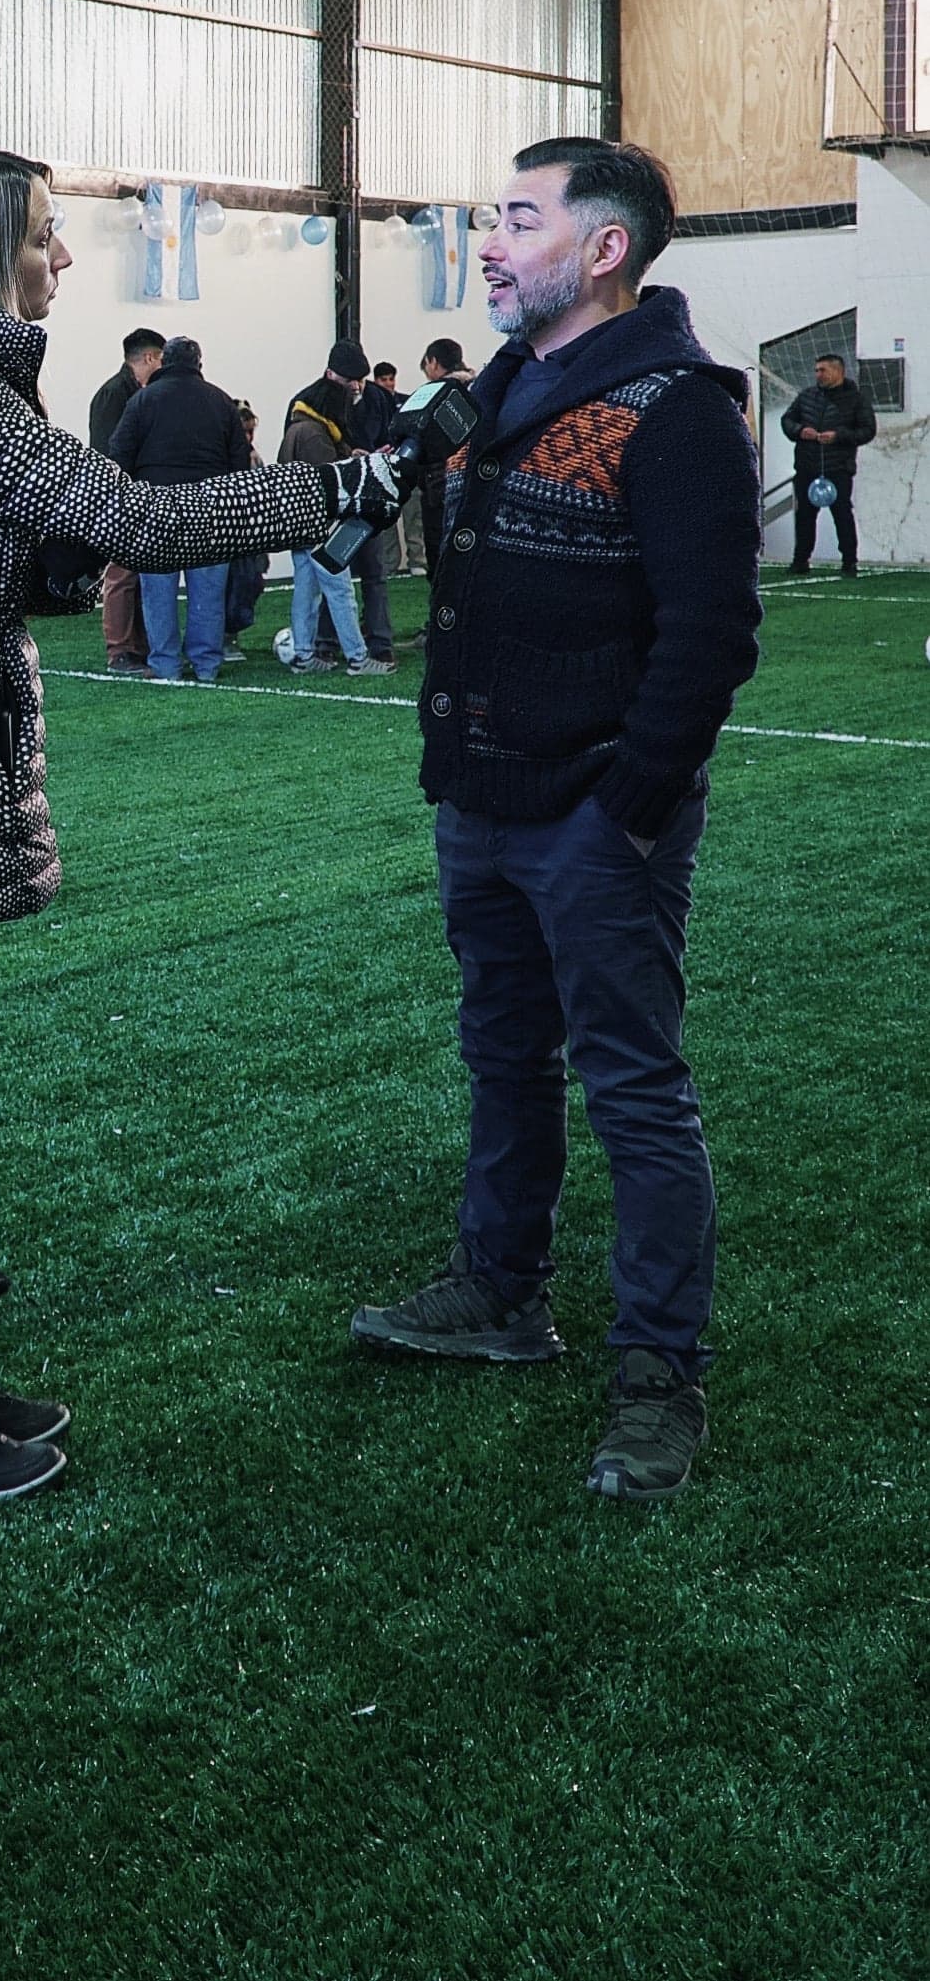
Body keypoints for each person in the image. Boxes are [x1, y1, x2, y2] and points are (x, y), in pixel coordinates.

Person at [0, 147, 403, 1498]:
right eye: (46, 236)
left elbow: (28, 536)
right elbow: (118, 513)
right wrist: (324, 490)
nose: (60, 259)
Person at [352, 140, 761, 1505]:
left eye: (514, 219)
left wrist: (629, 799)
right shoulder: (511, 382)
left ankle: (656, 1372)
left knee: (634, 1091)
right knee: (501, 1058)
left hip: (591, 813)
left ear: (599, 250)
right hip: (481, 797)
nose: (483, 240)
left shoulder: (676, 405)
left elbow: (709, 635)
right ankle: (499, 1291)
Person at [106, 335, 250, 684]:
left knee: (158, 594)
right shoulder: (220, 402)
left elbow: (119, 454)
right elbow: (240, 463)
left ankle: (166, 666)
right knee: (208, 594)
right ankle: (206, 665)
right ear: (199, 363)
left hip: (157, 509)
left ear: (164, 362)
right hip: (210, 509)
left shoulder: (143, 401)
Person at [277, 339, 379, 674]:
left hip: (298, 522)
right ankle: (358, 658)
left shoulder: (301, 419)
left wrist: (349, 455)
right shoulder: (315, 433)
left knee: (305, 591)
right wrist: (354, 464)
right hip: (322, 522)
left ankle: (304, 657)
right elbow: (328, 480)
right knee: (339, 590)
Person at [89, 327, 165, 670]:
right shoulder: (113, 395)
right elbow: (107, 452)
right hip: (118, 499)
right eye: (161, 358)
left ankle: (137, 645)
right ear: (149, 357)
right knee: (120, 577)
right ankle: (119, 650)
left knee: (135, 575)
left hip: (133, 495)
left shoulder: (132, 392)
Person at [781, 353, 876, 576]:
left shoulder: (856, 399)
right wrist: (799, 431)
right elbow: (787, 420)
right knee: (804, 516)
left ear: (838, 371)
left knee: (842, 515)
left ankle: (849, 562)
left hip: (838, 468)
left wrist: (839, 436)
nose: (818, 375)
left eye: (823, 370)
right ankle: (800, 561)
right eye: (816, 370)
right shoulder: (806, 397)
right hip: (806, 466)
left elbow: (868, 430)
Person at [348, 362, 403, 672]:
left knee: (369, 574)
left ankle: (378, 642)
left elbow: (393, 438)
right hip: (354, 500)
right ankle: (332, 643)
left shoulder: (378, 400)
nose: (356, 385)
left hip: (371, 498)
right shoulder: (322, 401)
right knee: (347, 576)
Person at [415, 336, 471, 574]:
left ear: (434, 362)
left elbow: (420, 439)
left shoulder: (432, 394)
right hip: (473, 484)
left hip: (439, 484)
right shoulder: (480, 388)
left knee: (439, 557)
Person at [224, 403, 268, 658]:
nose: (249, 437)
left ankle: (231, 633)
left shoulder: (255, 459)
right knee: (234, 586)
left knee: (251, 583)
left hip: (253, 535)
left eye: (251, 431)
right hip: (232, 535)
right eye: (245, 431)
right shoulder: (227, 459)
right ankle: (226, 636)